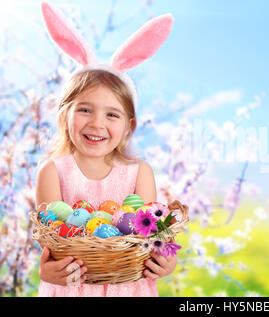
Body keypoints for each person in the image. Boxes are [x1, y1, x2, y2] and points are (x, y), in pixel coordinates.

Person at [34, 2, 176, 296]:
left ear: (129, 126)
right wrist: (46, 271)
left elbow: (151, 240)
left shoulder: (140, 173)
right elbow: (51, 245)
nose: (97, 124)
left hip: (129, 287)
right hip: (73, 287)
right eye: (85, 110)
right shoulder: (52, 171)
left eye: (112, 115)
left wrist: (167, 263)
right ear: (64, 116)